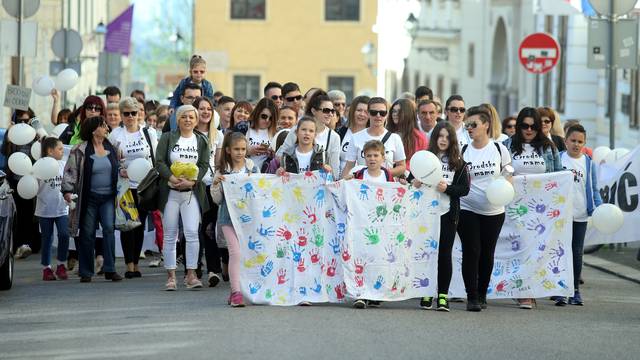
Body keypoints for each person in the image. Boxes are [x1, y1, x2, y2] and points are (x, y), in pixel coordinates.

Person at [503, 107, 562, 309]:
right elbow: (500, 174)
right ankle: (523, 291)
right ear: (518, 126)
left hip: (540, 209)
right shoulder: (507, 146)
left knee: (536, 248)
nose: (529, 130)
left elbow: (557, 175)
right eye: (524, 126)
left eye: (533, 126)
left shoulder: (549, 148)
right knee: (520, 248)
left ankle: (528, 287)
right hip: (514, 207)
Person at [457, 105, 512, 311]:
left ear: (486, 125)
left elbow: (508, 173)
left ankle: (482, 293)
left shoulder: (499, 149)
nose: (469, 128)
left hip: (494, 211)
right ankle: (471, 297)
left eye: (473, 124)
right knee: (472, 251)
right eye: (467, 125)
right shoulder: (463, 150)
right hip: (467, 207)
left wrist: (508, 186)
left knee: (487, 253)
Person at [414, 122, 469, 312]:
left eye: (447, 136)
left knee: (444, 254)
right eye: (440, 136)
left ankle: (443, 296)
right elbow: (412, 182)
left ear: (452, 139)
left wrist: (449, 189)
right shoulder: (426, 159)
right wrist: (415, 182)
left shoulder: (459, 163)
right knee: (427, 253)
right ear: (435, 138)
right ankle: (427, 291)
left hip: (448, 214)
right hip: (426, 215)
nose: (443, 140)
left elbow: (465, 189)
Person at [155, 105, 210, 291]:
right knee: (170, 234)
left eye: (191, 117)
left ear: (196, 120)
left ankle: (191, 274)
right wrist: (171, 177)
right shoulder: (167, 137)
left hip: (191, 193)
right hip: (170, 192)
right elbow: (159, 161)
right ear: (177, 120)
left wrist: (193, 182)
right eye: (184, 117)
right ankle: (171, 276)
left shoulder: (201, 140)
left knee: (192, 233)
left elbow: (203, 165)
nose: (188, 120)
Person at [62, 116, 123, 282]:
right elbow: (70, 171)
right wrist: (67, 191)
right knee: (87, 233)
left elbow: (120, 167)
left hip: (108, 197)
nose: (106, 129)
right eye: (103, 126)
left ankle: (110, 269)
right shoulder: (80, 149)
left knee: (109, 229)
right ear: (94, 129)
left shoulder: (113, 147)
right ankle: (86, 272)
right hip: (88, 198)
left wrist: (122, 172)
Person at [108, 97, 158, 279]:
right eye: (126, 113)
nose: (130, 117)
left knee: (140, 226)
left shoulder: (148, 133)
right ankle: (129, 266)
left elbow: (154, 157)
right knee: (128, 225)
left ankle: (136, 263)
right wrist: (120, 169)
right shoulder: (115, 135)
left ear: (139, 114)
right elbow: (109, 160)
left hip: (144, 185)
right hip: (125, 186)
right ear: (121, 115)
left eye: (133, 113)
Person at [211, 132, 259, 307]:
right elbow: (216, 200)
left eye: (243, 149)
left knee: (246, 254)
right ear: (229, 150)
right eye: (236, 149)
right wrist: (216, 184)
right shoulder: (222, 170)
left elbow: (259, 191)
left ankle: (242, 289)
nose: (240, 152)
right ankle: (236, 292)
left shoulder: (251, 167)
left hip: (247, 218)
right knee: (235, 252)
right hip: (227, 217)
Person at [556, 124, 602, 306]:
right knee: (560, 252)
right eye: (573, 140)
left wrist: (598, 208)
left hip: (580, 214)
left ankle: (574, 289)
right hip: (560, 215)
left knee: (576, 253)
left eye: (580, 142)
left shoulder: (588, 163)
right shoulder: (559, 159)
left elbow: (594, 188)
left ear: (584, 143)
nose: (576, 144)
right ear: (566, 141)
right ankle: (560, 290)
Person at [350, 140, 395, 309]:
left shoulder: (387, 175)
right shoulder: (359, 175)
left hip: (381, 225)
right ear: (364, 157)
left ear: (383, 157)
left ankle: (375, 293)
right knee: (361, 258)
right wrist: (347, 181)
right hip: (361, 224)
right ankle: (360, 293)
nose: (372, 159)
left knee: (378, 258)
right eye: (368, 155)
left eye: (376, 155)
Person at [193, 96, 226, 287]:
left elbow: (219, 162)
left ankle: (213, 269)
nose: (205, 112)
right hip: (192, 185)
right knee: (192, 229)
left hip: (210, 185)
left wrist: (217, 179)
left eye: (208, 109)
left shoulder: (218, 135)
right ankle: (194, 268)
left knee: (209, 229)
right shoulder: (187, 133)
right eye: (201, 108)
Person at [277, 90, 341, 179]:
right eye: (326, 110)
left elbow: (335, 170)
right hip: (294, 185)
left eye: (332, 111)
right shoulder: (297, 130)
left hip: (318, 187)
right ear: (314, 111)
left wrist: (329, 172)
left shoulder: (334, 137)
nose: (330, 114)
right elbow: (280, 154)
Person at [3, 108, 41, 258]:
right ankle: (18, 244)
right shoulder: (11, 133)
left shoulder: (35, 135)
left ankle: (30, 244)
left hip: (31, 180)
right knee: (16, 212)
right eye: (20, 121)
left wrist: (39, 138)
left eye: (26, 121)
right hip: (15, 180)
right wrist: (9, 136)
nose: (23, 124)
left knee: (29, 214)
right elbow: (4, 151)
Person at [342, 97, 406, 179]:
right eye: (374, 112)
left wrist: (380, 173)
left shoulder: (395, 138)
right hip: (362, 186)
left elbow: (401, 166)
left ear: (387, 114)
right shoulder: (355, 138)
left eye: (382, 113)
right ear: (368, 114)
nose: (378, 116)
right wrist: (342, 184)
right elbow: (349, 166)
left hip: (386, 187)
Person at [36, 137, 70, 281]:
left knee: (64, 234)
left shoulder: (64, 165)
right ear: (50, 151)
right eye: (60, 149)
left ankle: (61, 264)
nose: (63, 151)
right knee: (47, 238)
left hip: (62, 208)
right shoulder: (38, 166)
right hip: (44, 209)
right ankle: (46, 268)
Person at [387, 98, 428, 174]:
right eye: (394, 111)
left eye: (399, 112)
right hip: (386, 176)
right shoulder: (386, 133)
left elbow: (420, 162)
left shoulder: (419, 137)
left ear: (407, 113)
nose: (395, 114)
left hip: (409, 179)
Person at [338, 96, 369, 173]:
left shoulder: (373, 135)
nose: (362, 114)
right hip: (341, 180)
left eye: (366, 112)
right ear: (352, 111)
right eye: (359, 110)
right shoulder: (340, 132)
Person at [246, 98, 278, 170]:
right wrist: (248, 151)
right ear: (257, 113)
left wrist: (273, 154)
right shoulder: (245, 128)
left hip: (266, 176)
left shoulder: (276, 133)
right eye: (264, 116)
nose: (267, 120)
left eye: (271, 118)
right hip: (245, 173)